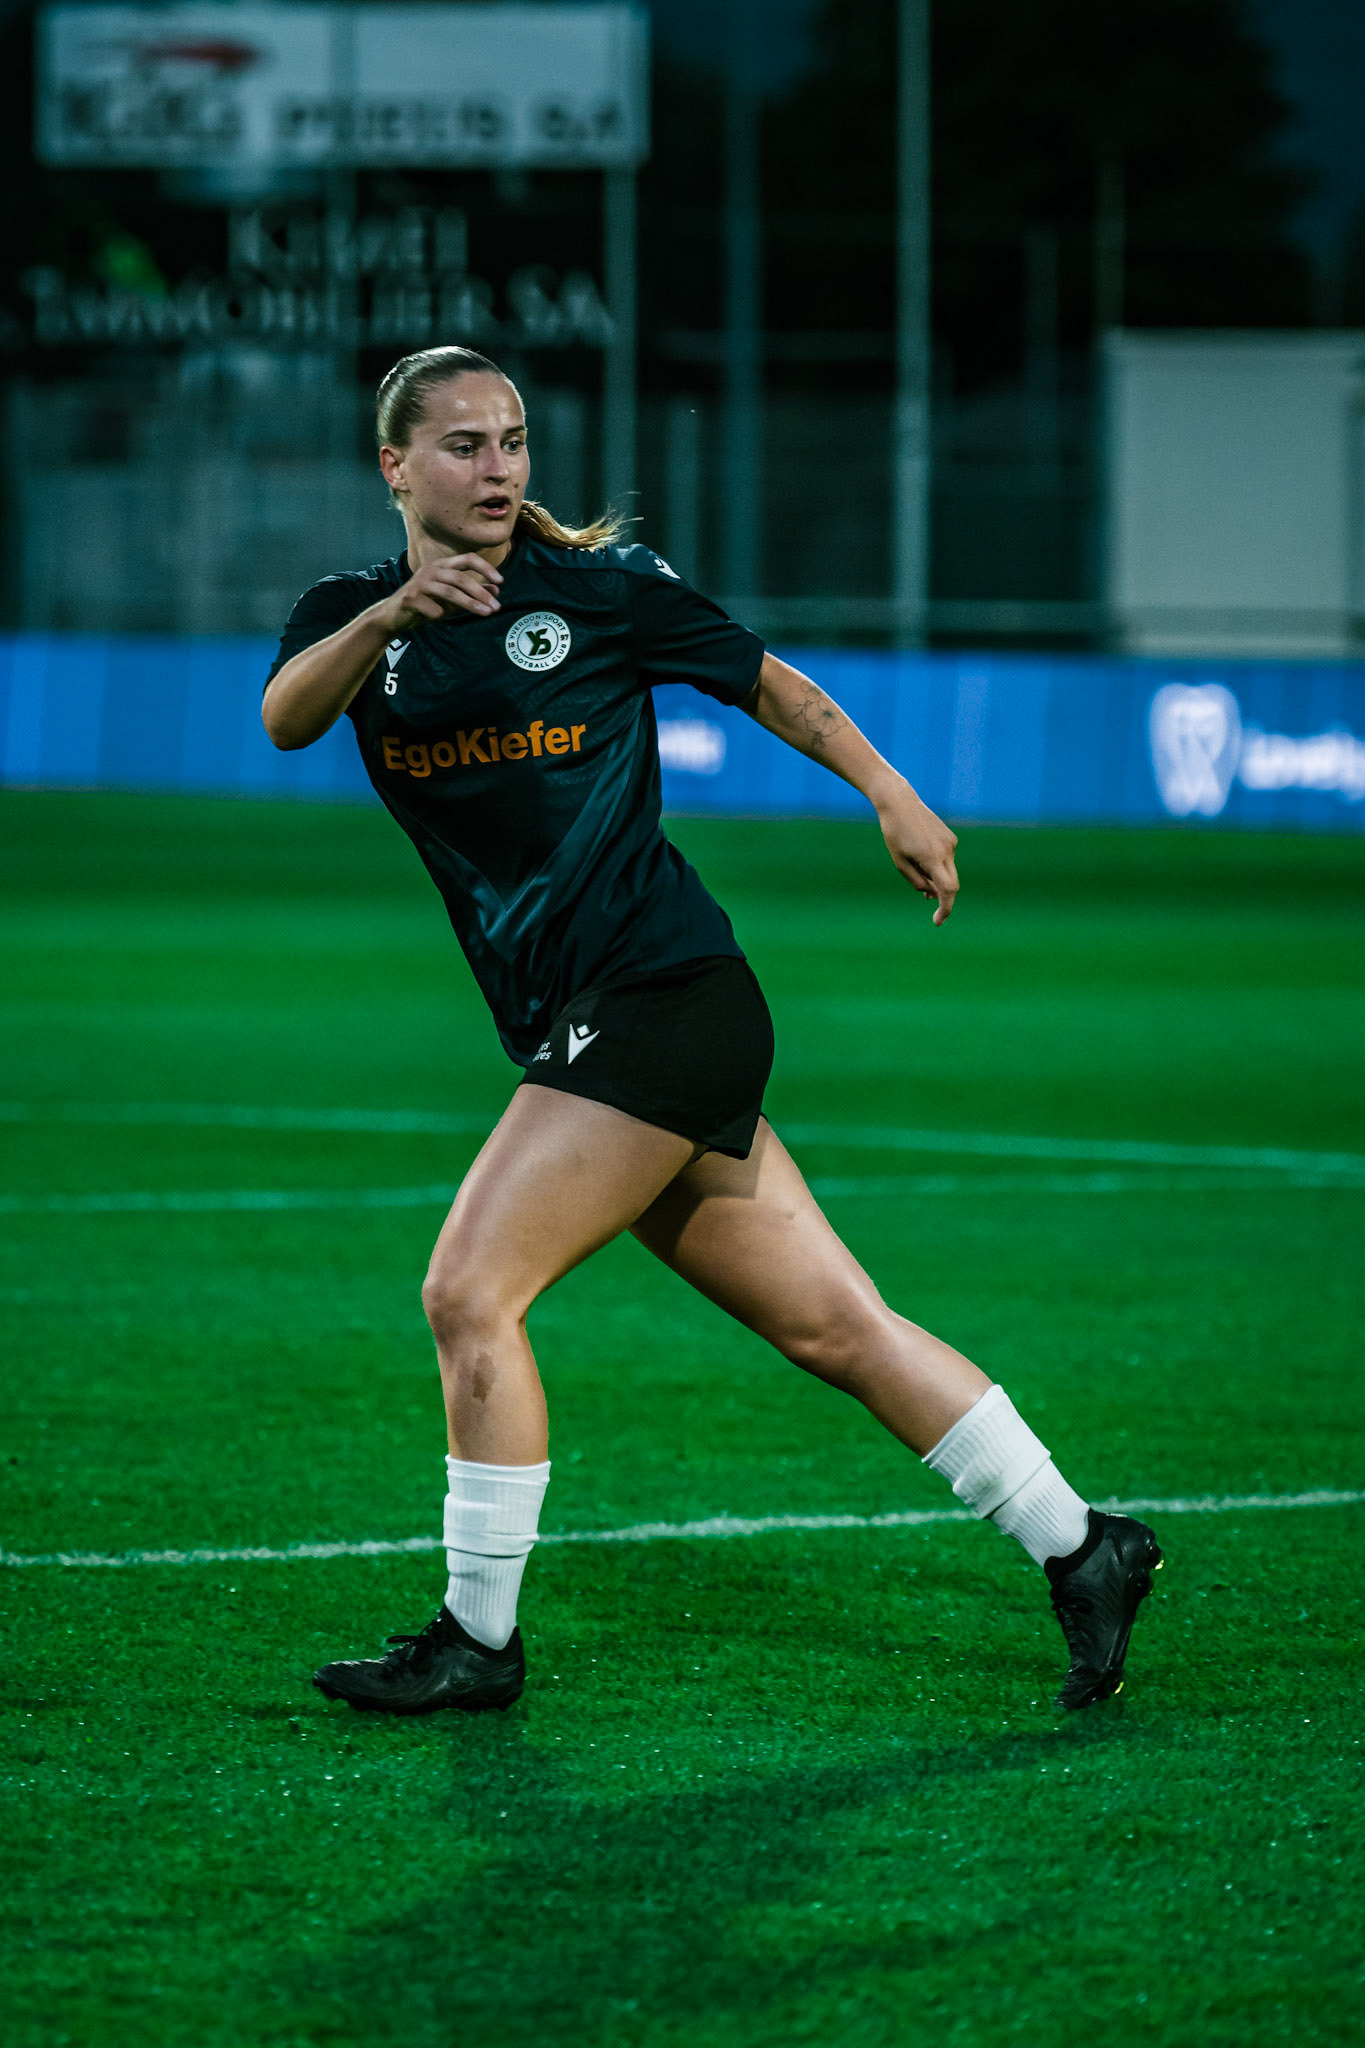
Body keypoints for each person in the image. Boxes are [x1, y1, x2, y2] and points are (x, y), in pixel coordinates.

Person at [263, 344, 1162, 1719]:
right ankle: (1082, 1546)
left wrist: (889, 793)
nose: (497, 467)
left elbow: (773, 686)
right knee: (839, 1329)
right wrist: (392, 616)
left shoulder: (601, 597)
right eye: (462, 445)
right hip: (600, 1019)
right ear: (394, 466)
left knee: (467, 1293)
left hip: (659, 1000)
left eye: (511, 442)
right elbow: (284, 719)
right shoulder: (350, 617)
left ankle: (476, 1639)